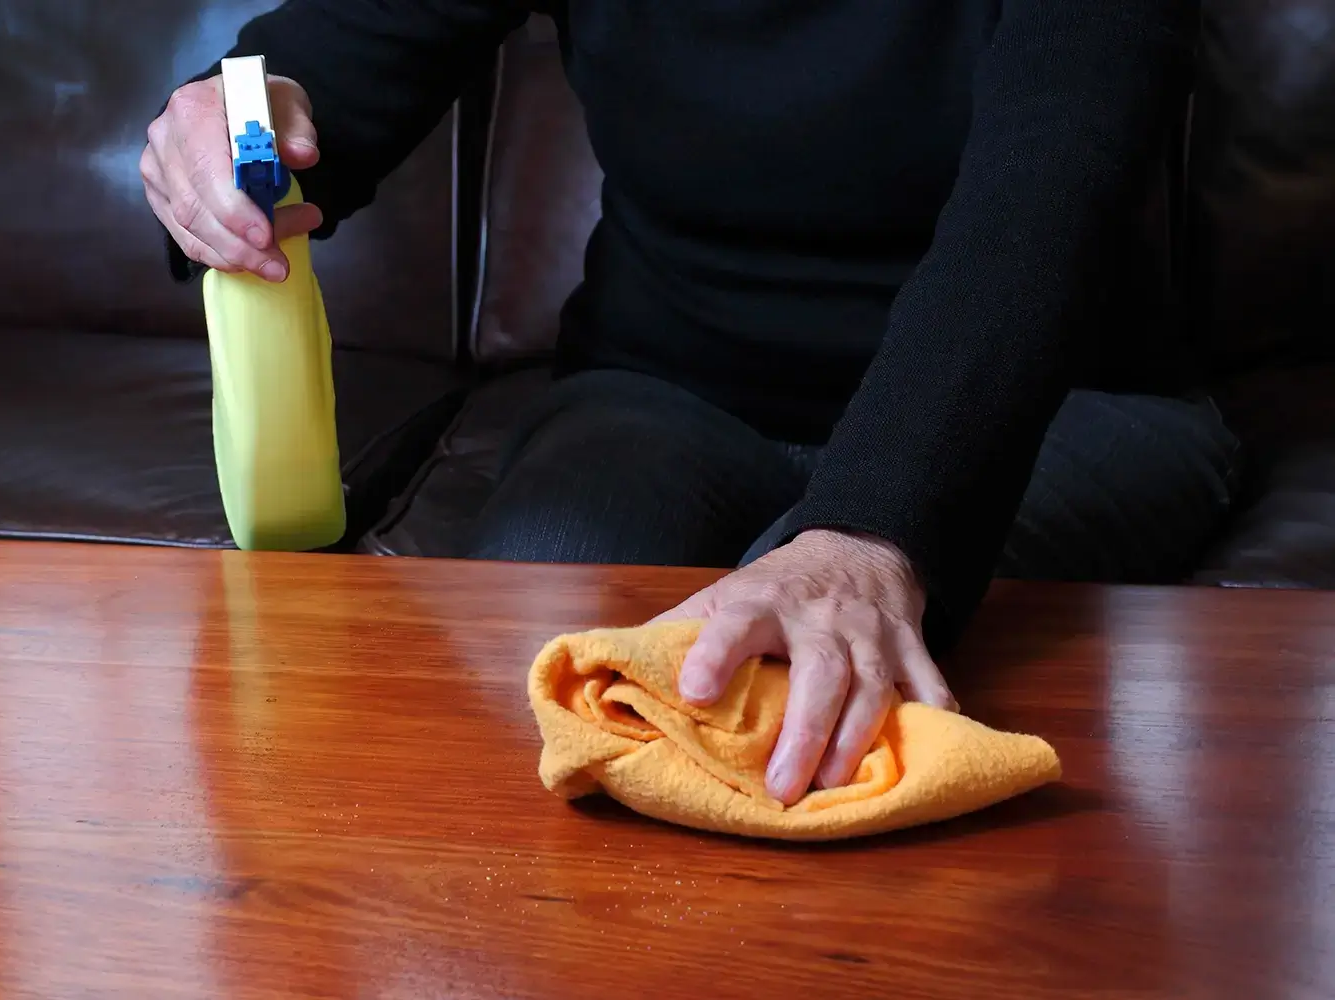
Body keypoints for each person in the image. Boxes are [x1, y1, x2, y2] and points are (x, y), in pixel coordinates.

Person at [141, 0, 1240, 806]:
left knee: (787, 702)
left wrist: (870, 533)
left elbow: (1048, 189)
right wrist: (232, 131)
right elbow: (331, 59)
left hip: (1057, 404)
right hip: (665, 391)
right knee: (569, 664)